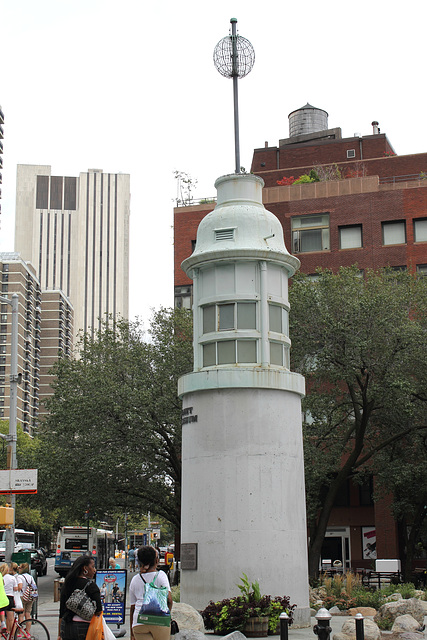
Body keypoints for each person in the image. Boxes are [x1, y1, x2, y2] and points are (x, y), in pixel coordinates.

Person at [129, 546, 172, 640]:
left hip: (138, 622)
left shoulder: (135, 580)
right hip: (159, 621)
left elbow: (132, 608)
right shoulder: (161, 576)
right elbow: (169, 599)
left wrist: (132, 633)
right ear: (156, 561)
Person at [58, 555, 102, 640]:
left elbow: (62, 611)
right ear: (85, 568)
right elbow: (98, 611)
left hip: (65, 626)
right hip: (84, 627)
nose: (94, 570)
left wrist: (59, 634)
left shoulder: (67, 584)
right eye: (92, 567)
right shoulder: (91, 586)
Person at [18, 563, 37, 631]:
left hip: (22, 596)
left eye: (20, 568)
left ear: (22, 569)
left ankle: (19, 632)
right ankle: (28, 632)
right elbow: (34, 586)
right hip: (30, 597)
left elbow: (19, 587)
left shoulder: (20, 577)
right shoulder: (30, 577)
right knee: (28, 614)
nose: (19, 569)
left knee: (21, 615)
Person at [0, 563, 15, 634]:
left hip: (2, 600)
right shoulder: (11, 577)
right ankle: (11, 634)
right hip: (8, 599)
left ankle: (3, 624)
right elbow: (16, 588)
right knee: (11, 619)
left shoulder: (2, 577)